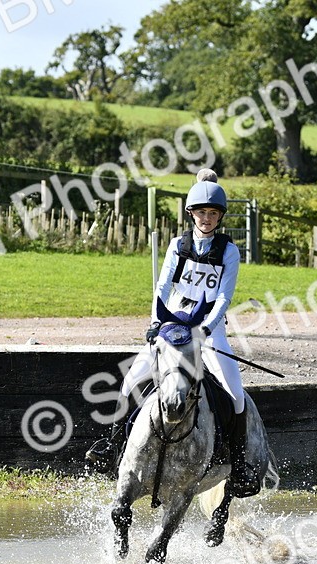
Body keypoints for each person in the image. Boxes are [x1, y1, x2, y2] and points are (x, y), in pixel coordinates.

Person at [86, 169, 259, 496]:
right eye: (201, 212)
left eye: (213, 213)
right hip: (174, 325)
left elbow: (224, 298)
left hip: (209, 329)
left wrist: (206, 329)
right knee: (131, 380)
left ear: (220, 217)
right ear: (191, 213)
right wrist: (156, 323)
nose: (206, 218)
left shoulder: (228, 251)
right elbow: (163, 287)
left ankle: (238, 465)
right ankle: (112, 446)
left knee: (236, 395)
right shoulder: (178, 246)